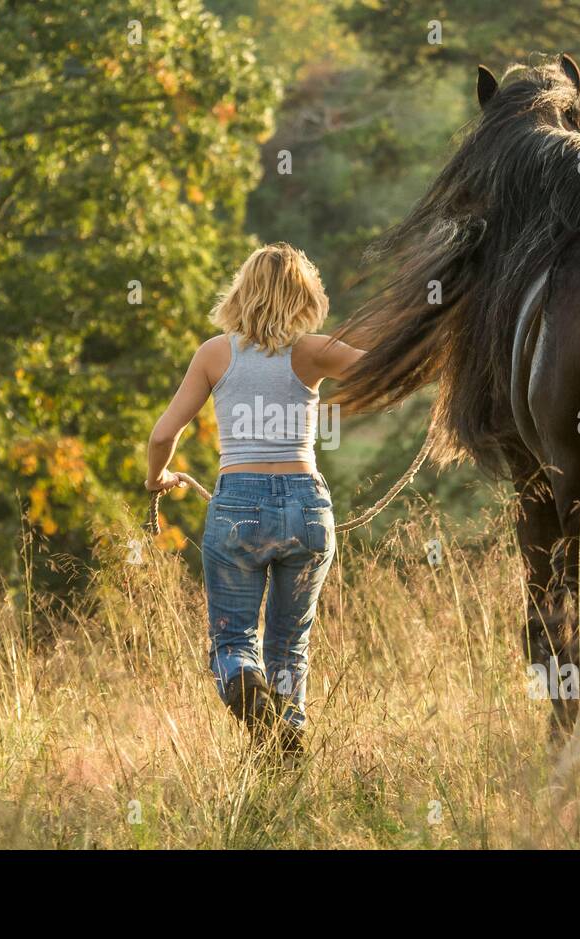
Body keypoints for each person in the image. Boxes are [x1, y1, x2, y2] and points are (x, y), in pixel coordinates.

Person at [146, 243, 364, 754]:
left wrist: (158, 478)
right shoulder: (315, 351)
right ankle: (284, 750)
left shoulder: (215, 353)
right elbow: (387, 372)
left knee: (232, 642)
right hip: (307, 506)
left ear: (242, 291)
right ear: (304, 295)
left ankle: (246, 685)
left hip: (237, 506)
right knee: (290, 647)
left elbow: (161, 435)